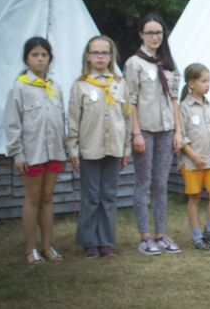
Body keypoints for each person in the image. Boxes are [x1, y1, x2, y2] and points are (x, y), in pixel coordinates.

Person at [66, 35, 131, 258]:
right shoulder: (81, 85)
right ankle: (89, 241)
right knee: (91, 196)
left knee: (109, 195)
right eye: (95, 52)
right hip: (90, 148)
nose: (100, 56)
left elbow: (127, 118)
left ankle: (106, 241)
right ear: (88, 56)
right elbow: (74, 119)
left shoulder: (120, 84)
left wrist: (126, 149)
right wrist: (73, 149)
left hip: (114, 147)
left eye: (104, 52)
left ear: (111, 56)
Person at [124, 14, 183, 255]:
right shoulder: (134, 64)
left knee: (161, 182)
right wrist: (135, 132)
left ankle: (161, 233)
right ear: (141, 34)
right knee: (143, 181)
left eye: (159, 32)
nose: (155, 37)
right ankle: (144, 236)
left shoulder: (167, 63)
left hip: (166, 129)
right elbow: (131, 101)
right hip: (145, 130)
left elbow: (174, 99)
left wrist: (178, 131)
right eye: (150, 33)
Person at [5, 37, 66, 264]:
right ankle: (30, 249)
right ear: (27, 58)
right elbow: (13, 123)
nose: (40, 59)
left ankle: (47, 246)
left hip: (54, 151)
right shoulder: (20, 86)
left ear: (50, 58)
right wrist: (17, 152)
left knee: (48, 197)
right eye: (35, 55)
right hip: (32, 152)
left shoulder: (55, 86)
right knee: (32, 198)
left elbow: (61, 119)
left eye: (44, 55)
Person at [178, 63, 210, 250]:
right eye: (203, 81)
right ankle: (197, 236)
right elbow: (181, 136)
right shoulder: (184, 107)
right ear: (191, 83)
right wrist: (193, 156)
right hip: (192, 164)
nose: (207, 84)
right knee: (195, 197)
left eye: (208, 80)